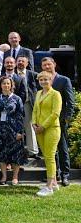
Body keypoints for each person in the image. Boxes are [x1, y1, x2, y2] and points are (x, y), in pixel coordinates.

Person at [41, 57, 74, 186]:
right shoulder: (42, 80)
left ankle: (65, 174)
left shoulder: (63, 80)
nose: (47, 67)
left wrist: (67, 117)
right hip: (45, 122)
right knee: (50, 150)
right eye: (44, 65)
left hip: (59, 120)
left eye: (49, 64)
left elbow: (70, 101)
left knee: (62, 147)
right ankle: (53, 175)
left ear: (54, 64)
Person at [0, 76, 26, 186]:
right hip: (0, 130)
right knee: (2, 154)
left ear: (11, 85)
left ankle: (15, 177)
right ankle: (4, 176)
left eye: (8, 83)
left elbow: (20, 116)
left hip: (14, 131)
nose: (6, 85)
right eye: (4, 83)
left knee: (16, 154)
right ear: (0, 85)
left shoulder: (17, 99)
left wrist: (20, 131)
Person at [32, 71, 63, 196]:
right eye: (41, 80)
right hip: (38, 129)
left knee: (50, 157)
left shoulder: (56, 94)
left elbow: (55, 113)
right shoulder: (39, 93)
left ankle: (49, 187)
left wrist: (43, 126)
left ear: (51, 80)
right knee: (46, 156)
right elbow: (34, 110)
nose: (43, 82)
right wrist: (34, 123)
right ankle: (54, 183)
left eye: (46, 79)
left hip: (51, 129)